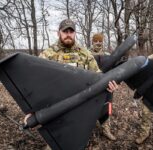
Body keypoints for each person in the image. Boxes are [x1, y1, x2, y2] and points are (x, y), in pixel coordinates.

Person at [24, 19, 118, 150]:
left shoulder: (85, 54)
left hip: (79, 107)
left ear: (75, 33)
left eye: (71, 31)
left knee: (76, 141)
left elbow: (98, 77)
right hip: (57, 107)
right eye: (65, 31)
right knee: (55, 144)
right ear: (59, 33)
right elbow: (35, 84)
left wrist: (109, 86)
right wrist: (31, 109)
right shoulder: (47, 55)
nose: (68, 34)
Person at [90, 33, 116, 141]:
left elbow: (113, 71)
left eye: (100, 41)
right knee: (90, 109)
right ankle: (88, 131)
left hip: (107, 88)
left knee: (107, 108)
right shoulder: (87, 54)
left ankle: (106, 129)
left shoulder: (108, 55)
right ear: (92, 42)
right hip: (92, 88)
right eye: (96, 41)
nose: (98, 43)